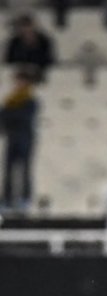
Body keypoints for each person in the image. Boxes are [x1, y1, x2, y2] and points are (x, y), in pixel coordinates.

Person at [0, 69, 40, 214]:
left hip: (25, 137)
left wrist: (11, 116)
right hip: (12, 137)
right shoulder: (10, 100)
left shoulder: (30, 100)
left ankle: (25, 199)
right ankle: (7, 199)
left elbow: (22, 117)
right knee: (8, 169)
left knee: (25, 169)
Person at [4, 14, 56, 82]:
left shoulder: (44, 41)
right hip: (19, 74)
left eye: (28, 26)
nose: (27, 30)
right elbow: (9, 61)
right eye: (24, 27)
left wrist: (35, 67)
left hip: (40, 73)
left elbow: (50, 60)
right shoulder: (14, 42)